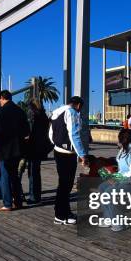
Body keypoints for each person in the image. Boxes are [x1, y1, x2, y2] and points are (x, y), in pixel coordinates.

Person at [49, 96, 89, 225]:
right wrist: (82, 154)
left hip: (58, 151)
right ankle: (61, 215)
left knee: (63, 184)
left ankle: (63, 212)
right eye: (80, 108)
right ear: (78, 105)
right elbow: (74, 134)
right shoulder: (72, 112)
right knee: (66, 185)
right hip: (67, 154)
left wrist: (56, 144)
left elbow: (50, 133)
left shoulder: (57, 111)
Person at [0, 90, 30, 211]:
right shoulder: (20, 111)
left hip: (4, 149)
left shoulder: (1, 112)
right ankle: (18, 202)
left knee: (5, 176)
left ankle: (7, 203)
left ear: (2, 98)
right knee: (15, 176)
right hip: (18, 149)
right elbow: (26, 130)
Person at [100, 128, 131, 231]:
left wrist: (117, 180)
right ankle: (109, 218)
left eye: (120, 139)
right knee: (102, 187)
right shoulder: (123, 148)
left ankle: (119, 222)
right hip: (124, 178)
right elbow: (121, 170)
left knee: (110, 192)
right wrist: (112, 177)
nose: (118, 142)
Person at [25, 99, 52, 205]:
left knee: (32, 173)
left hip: (32, 147)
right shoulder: (43, 115)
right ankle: (36, 196)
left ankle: (34, 197)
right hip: (40, 147)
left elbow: (30, 131)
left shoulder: (32, 114)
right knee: (36, 172)